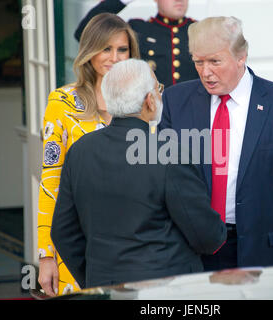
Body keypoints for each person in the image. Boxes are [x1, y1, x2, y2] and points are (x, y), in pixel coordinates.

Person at [159, 16, 273, 271]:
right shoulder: (174, 101)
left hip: (264, 256)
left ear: (241, 56)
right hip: (191, 255)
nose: (205, 72)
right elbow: (162, 184)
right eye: (198, 62)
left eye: (215, 61)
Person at [50, 59, 227, 288]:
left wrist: (95, 278)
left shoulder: (80, 150)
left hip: (104, 285)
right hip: (165, 291)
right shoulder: (168, 152)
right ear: (149, 101)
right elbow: (206, 236)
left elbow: (63, 232)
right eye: (158, 89)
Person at [37, 13, 140, 297]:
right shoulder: (63, 103)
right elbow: (50, 182)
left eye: (122, 50)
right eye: (105, 49)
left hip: (136, 244)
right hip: (78, 243)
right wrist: (46, 255)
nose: (114, 58)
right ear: (89, 52)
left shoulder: (145, 103)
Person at [74, 0, 198, 87]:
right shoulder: (139, 29)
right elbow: (85, 34)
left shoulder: (199, 30)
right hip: (147, 114)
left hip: (190, 114)